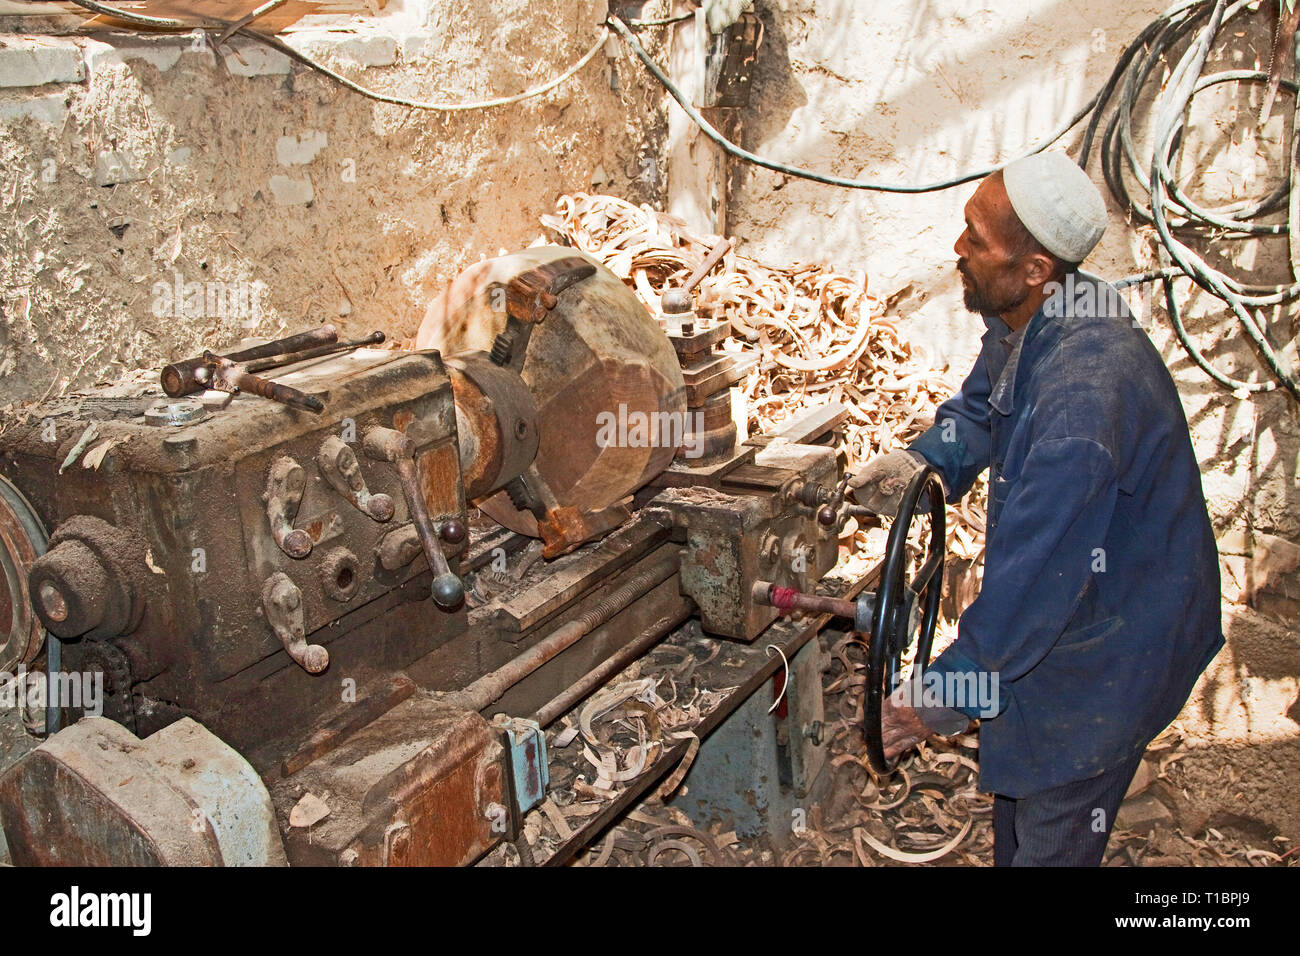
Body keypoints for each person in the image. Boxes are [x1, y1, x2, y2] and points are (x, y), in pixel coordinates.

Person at [849, 150, 1223, 866]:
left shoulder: (1081, 402)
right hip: (1085, 607)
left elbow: (1035, 584)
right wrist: (922, 461)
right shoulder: (1044, 314)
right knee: (1020, 801)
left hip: (1120, 641)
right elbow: (985, 411)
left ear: (1034, 269)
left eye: (977, 241)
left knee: (1056, 811)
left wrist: (937, 697)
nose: (957, 250)